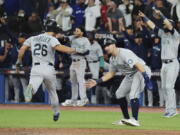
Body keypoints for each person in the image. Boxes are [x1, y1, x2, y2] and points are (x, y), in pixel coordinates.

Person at [16, 19, 81, 122]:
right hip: (48, 68)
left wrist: (19, 61)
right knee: (52, 92)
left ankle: (31, 89)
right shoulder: (51, 39)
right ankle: (56, 112)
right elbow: (61, 48)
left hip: (36, 68)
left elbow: (22, 49)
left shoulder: (33, 38)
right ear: (54, 29)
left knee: (33, 85)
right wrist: (75, 50)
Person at [85, 37, 153, 126]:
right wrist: (97, 81)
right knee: (119, 94)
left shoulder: (124, 53)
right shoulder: (112, 59)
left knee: (133, 94)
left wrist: (147, 79)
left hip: (141, 71)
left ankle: (135, 120)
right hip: (130, 75)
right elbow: (111, 74)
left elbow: (138, 65)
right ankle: (126, 119)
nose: (106, 48)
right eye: (105, 46)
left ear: (114, 45)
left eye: (108, 45)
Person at [138, 10, 180, 118]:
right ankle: (168, 109)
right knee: (164, 87)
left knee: (169, 87)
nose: (164, 25)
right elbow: (153, 26)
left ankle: (173, 110)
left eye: (165, 24)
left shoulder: (176, 35)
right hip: (164, 64)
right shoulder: (162, 33)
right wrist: (144, 17)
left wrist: (161, 14)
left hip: (173, 63)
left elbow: (169, 24)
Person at [61, 26, 91, 107]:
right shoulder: (73, 38)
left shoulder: (85, 40)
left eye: (77, 31)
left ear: (82, 32)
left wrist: (75, 50)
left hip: (80, 61)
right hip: (73, 62)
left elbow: (87, 52)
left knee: (81, 81)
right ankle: (74, 100)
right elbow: (64, 39)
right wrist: (61, 36)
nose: (75, 32)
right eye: (75, 30)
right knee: (73, 82)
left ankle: (84, 99)